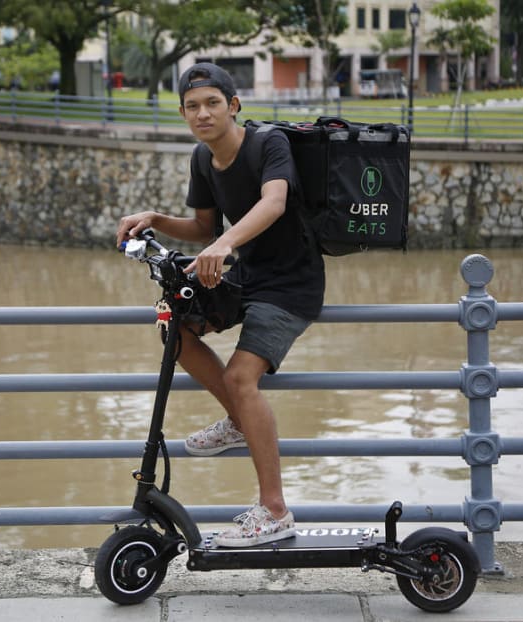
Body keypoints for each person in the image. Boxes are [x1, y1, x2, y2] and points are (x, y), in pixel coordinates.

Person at [115, 63, 325, 548]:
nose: (202, 113)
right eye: (192, 106)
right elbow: (203, 228)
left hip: (291, 285)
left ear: (233, 106)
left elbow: (274, 202)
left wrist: (224, 246)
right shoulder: (202, 159)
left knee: (239, 377)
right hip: (246, 276)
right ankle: (240, 419)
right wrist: (156, 218)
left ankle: (275, 509)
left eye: (212, 103)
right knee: (174, 329)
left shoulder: (267, 144)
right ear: (184, 114)